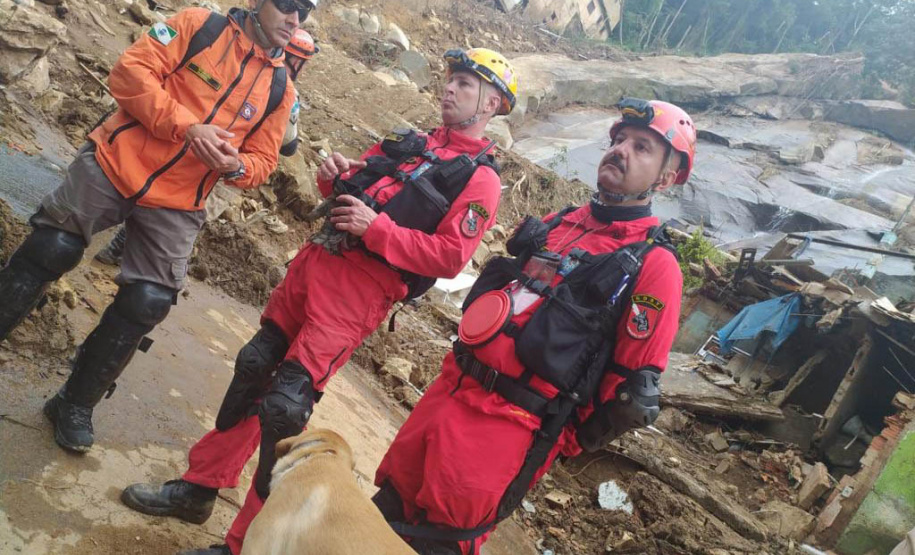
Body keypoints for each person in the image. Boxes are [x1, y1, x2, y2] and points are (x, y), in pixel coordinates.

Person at [121, 47, 518, 555]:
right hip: (317, 263)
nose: (449, 88)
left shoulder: (481, 179)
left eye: (464, 83)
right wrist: (334, 175)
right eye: (451, 79)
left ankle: (243, 542)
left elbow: (448, 257)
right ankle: (199, 487)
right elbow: (350, 186)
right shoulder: (411, 142)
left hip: (361, 290)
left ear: (490, 104)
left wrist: (379, 230)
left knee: (285, 410)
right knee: (254, 369)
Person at [371, 98, 697, 555]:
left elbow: (631, 393)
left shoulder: (654, 266)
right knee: (383, 511)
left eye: (642, 147)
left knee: (437, 542)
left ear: (666, 177)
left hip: (509, 426)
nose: (621, 150)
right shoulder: (559, 223)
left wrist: (560, 439)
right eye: (620, 139)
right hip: (450, 390)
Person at [94, 28, 319, 267]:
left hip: (177, 144)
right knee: (186, 214)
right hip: (214, 168)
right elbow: (288, 146)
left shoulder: (237, 61)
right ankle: (125, 249)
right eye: (302, 63)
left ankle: (118, 245)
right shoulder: (285, 93)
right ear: (296, 60)